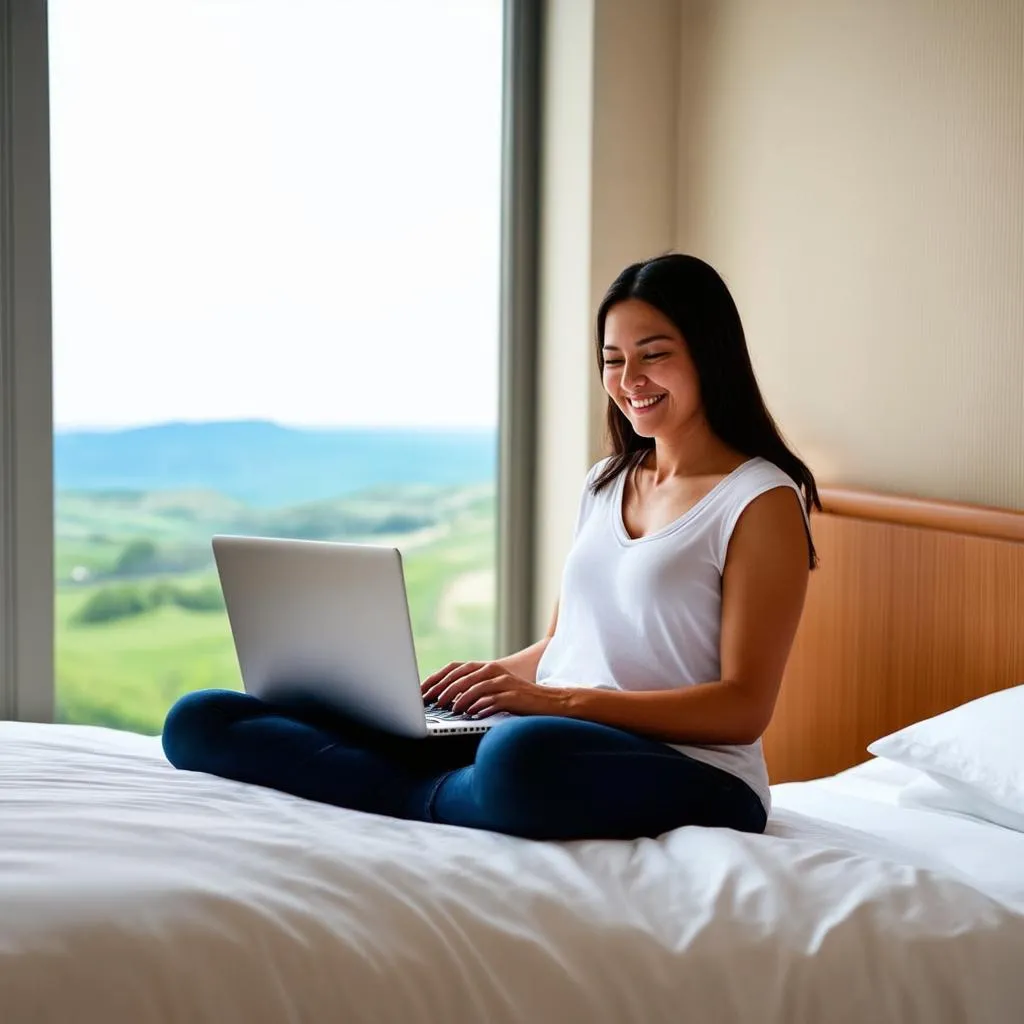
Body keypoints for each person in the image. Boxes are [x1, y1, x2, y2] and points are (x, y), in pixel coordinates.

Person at [162, 253, 818, 842]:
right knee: (202, 719)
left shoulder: (759, 501)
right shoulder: (605, 481)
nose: (630, 379)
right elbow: (566, 646)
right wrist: (483, 684)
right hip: (562, 732)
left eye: (654, 353)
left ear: (709, 352)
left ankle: (399, 788)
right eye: (613, 360)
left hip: (690, 770)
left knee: (520, 756)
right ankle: (425, 785)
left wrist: (556, 703)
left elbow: (742, 707)